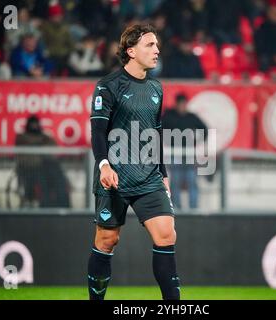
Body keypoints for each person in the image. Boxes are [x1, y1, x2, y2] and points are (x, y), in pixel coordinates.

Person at [88, 24, 179, 300]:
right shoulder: (108, 86)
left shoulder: (156, 88)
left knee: (166, 234)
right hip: (115, 175)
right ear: (131, 51)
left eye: (157, 45)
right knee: (107, 241)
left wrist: (163, 172)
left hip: (149, 176)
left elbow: (156, 133)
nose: (157, 50)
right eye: (150, 45)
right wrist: (104, 164)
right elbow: (98, 132)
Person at [162, 93, 208, 209]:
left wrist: (198, 141)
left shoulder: (191, 117)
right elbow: (158, 128)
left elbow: (204, 129)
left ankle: (194, 208)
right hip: (175, 153)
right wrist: (166, 141)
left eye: (184, 104)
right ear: (176, 104)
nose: (182, 106)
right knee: (176, 181)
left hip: (189, 153)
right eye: (180, 104)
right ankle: (176, 207)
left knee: (192, 181)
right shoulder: (169, 116)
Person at [15, 115, 70, 208]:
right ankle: (45, 206)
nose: (34, 127)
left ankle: (62, 203)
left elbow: (53, 144)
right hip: (29, 169)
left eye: (36, 124)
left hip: (45, 168)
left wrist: (39, 142)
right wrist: (40, 142)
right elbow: (27, 141)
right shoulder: (21, 137)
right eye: (32, 125)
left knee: (58, 176)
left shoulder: (44, 137)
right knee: (44, 181)